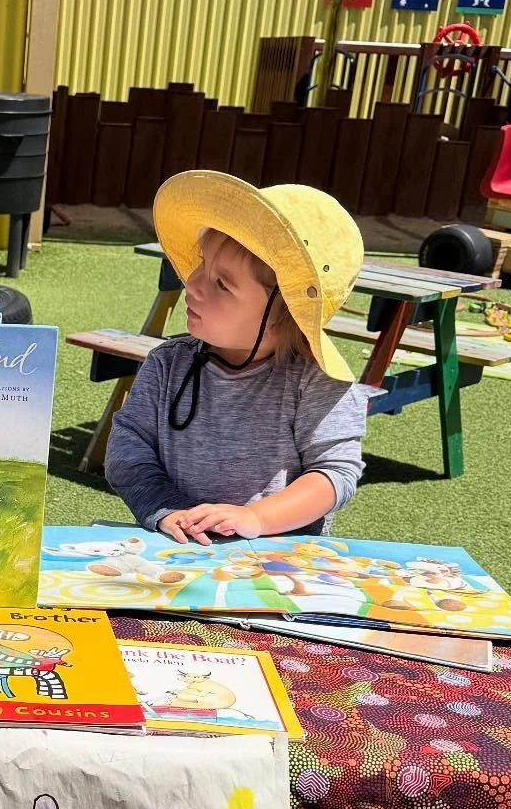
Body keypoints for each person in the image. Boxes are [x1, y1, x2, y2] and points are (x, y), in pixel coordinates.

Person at [105, 171, 369, 544]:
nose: (192, 285)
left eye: (221, 283)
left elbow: (333, 474)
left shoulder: (312, 381)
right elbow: (128, 447)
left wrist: (255, 517)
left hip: (276, 565)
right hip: (174, 551)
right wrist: (168, 508)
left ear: (284, 315)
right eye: (201, 264)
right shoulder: (167, 365)